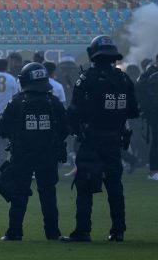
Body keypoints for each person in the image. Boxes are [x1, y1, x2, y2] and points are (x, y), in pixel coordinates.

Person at [62, 36, 139, 243]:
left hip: (91, 139)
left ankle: (83, 231)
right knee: (115, 186)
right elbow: (133, 110)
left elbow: (74, 111)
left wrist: (77, 129)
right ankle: (118, 231)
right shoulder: (124, 79)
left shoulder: (87, 78)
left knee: (85, 185)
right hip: (114, 138)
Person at [0, 62, 68, 241]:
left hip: (22, 155)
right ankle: (53, 233)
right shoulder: (53, 101)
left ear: (24, 80)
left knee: (19, 193)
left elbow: (1, 130)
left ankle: (15, 232)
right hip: (48, 155)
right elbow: (66, 128)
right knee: (48, 193)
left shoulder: (16, 102)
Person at [136, 56, 158, 180]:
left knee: (156, 140)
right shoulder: (154, 76)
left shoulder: (147, 74)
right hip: (155, 114)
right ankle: (154, 171)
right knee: (156, 141)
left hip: (152, 114)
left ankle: (154, 171)